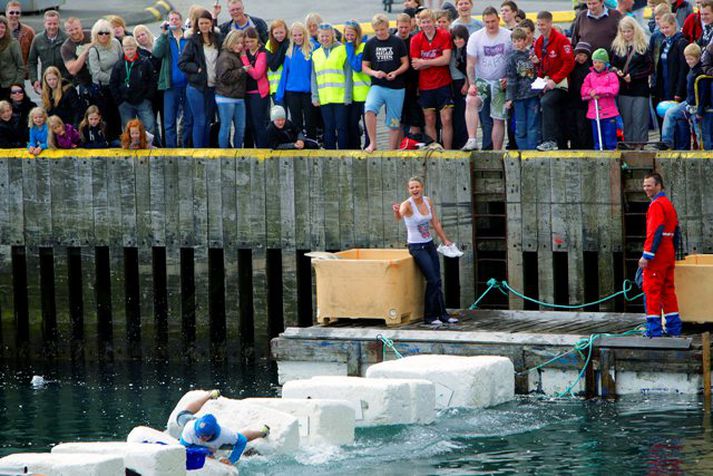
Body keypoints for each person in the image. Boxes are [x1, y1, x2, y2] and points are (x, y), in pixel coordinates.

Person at [392, 176, 458, 327]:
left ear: (422, 187)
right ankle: (429, 316)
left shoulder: (428, 201)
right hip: (416, 247)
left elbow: (435, 222)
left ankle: (443, 315)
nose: (415, 189)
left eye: (417, 187)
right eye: (411, 187)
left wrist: (445, 240)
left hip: (429, 244)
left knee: (438, 280)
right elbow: (399, 217)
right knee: (432, 280)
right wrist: (396, 211)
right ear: (408, 190)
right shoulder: (407, 204)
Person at [176, 390, 269, 466]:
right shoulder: (190, 429)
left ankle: (262, 432)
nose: (201, 438)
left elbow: (242, 441)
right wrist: (205, 451)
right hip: (194, 423)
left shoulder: (224, 435)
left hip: (217, 443)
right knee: (181, 416)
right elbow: (183, 447)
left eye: (205, 436)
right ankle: (209, 395)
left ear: (212, 433)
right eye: (199, 435)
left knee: (238, 440)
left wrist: (231, 460)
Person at [639, 172, 682, 337]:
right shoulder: (668, 204)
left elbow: (655, 232)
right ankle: (674, 328)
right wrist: (673, 252)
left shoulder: (656, 205)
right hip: (668, 251)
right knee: (668, 291)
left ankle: (654, 330)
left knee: (652, 291)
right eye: (644, 186)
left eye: (649, 185)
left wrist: (647, 255)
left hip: (658, 254)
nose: (646, 189)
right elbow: (676, 231)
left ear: (658, 186)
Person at [465, 6, 512, 151]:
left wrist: (509, 79)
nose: (490, 25)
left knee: (498, 118)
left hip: (500, 82)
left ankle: (497, 151)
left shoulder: (508, 36)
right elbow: (470, 64)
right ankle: (472, 139)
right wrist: (472, 84)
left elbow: (515, 60)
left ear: (498, 20)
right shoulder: (476, 37)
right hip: (483, 80)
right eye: (487, 22)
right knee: (471, 100)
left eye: (493, 21)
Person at [362, 13, 409, 152]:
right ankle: (373, 143)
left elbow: (405, 64)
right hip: (378, 85)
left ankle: (391, 150)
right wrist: (374, 73)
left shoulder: (397, 42)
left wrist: (395, 73)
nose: (380, 33)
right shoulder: (370, 44)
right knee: (369, 109)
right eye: (376, 30)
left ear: (388, 27)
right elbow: (364, 66)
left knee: (394, 122)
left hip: (396, 87)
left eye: (382, 29)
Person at [179, 10, 223, 148]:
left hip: (213, 87)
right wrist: (197, 69)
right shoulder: (193, 42)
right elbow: (182, 63)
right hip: (196, 87)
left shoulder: (218, 39)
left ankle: (207, 149)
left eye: (207, 23)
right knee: (200, 121)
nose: (204, 25)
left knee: (208, 121)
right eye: (201, 23)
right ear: (197, 25)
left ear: (211, 23)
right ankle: (199, 151)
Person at [410, 9, 453, 148]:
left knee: (446, 119)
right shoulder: (416, 39)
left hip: (443, 84)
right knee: (430, 120)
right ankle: (434, 150)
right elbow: (416, 65)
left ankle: (447, 151)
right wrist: (435, 61)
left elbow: (446, 59)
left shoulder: (444, 35)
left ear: (434, 22)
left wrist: (425, 62)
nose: (427, 24)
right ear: (420, 24)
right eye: (424, 22)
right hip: (425, 86)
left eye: (429, 21)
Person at [534, 11, 574, 151]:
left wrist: (555, 80)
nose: (541, 27)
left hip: (561, 84)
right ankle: (556, 142)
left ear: (550, 23)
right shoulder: (539, 42)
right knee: (543, 104)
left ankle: (550, 140)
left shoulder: (561, 40)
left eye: (543, 25)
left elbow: (569, 63)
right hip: (546, 82)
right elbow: (541, 66)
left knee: (547, 102)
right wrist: (539, 75)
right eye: (538, 25)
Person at [610, 16, 652, 143]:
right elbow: (612, 64)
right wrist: (617, 72)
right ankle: (628, 143)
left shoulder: (643, 46)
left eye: (629, 31)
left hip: (640, 89)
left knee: (640, 118)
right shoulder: (617, 46)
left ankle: (641, 144)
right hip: (623, 89)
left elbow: (650, 67)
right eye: (624, 31)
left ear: (635, 30)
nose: (626, 34)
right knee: (626, 119)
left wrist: (633, 77)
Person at [154, 10, 192, 148]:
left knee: (188, 120)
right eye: (171, 19)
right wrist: (164, 34)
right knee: (169, 122)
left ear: (181, 21)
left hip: (188, 85)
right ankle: (171, 150)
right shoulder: (165, 38)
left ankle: (185, 147)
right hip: (171, 86)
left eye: (177, 19)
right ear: (168, 22)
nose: (174, 21)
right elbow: (157, 53)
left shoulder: (188, 36)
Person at [311, 23, 351, 150]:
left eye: (327, 36)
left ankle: (343, 154)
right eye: (322, 36)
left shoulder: (342, 50)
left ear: (333, 36)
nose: (324, 39)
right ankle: (330, 155)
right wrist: (315, 96)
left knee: (342, 128)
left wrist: (348, 96)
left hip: (341, 98)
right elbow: (314, 77)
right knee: (328, 128)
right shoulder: (316, 54)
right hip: (324, 98)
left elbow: (348, 74)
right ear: (318, 37)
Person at [275, 22, 316, 140]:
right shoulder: (289, 51)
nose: (298, 38)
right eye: (295, 35)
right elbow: (285, 74)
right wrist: (280, 93)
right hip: (292, 92)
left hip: (308, 92)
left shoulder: (313, 48)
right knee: (296, 121)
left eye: (300, 35)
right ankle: (299, 143)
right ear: (291, 36)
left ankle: (312, 143)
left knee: (310, 121)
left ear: (305, 34)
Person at [110, 36, 157, 135]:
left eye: (131, 49)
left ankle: (148, 146)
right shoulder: (119, 65)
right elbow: (113, 83)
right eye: (127, 49)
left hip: (143, 101)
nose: (129, 52)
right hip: (125, 102)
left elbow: (152, 80)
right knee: (128, 129)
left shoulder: (145, 62)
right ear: (123, 49)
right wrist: (119, 100)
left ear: (136, 48)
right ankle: (131, 147)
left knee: (149, 126)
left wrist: (148, 97)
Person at [505, 27, 540, 150]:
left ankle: (532, 150)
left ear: (525, 40)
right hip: (519, 97)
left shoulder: (531, 54)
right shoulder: (511, 58)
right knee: (520, 125)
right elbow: (511, 79)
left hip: (533, 95)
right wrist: (510, 98)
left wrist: (537, 62)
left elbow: (539, 72)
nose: (517, 44)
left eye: (520, 40)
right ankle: (523, 150)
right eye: (514, 41)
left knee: (533, 124)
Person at [662, 43, 703, 148]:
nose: (688, 62)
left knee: (699, 132)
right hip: (688, 102)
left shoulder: (701, 72)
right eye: (687, 59)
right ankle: (667, 142)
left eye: (691, 59)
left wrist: (699, 110)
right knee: (670, 113)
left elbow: (703, 93)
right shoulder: (691, 69)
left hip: (697, 105)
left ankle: (703, 151)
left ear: (698, 57)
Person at [88, 18, 123, 140]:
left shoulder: (116, 44)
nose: (104, 35)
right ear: (95, 34)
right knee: (106, 117)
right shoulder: (93, 50)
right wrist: (113, 80)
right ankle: (107, 141)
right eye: (100, 33)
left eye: (107, 32)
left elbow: (121, 61)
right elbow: (96, 73)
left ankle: (119, 140)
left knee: (118, 116)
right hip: (103, 88)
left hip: (117, 86)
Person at [582, 48, 621, 150]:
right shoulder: (589, 76)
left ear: (605, 63)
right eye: (595, 62)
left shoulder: (611, 75)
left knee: (610, 137)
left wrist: (599, 90)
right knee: (597, 139)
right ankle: (599, 155)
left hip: (609, 113)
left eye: (600, 62)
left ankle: (612, 156)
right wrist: (591, 93)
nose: (597, 64)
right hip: (595, 113)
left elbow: (614, 89)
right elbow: (584, 90)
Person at [215, 30, 247, 148]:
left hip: (238, 97)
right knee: (226, 127)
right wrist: (242, 70)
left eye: (242, 43)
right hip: (225, 98)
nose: (240, 46)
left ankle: (237, 152)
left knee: (241, 128)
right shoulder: (225, 56)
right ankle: (224, 155)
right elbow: (224, 77)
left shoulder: (237, 55)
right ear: (230, 42)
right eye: (237, 43)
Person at [652, 13, 689, 108]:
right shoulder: (664, 43)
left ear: (674, 25)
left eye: (667, 27)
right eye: (662, 28)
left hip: (675, 87)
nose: (665, 31)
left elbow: (683, 69)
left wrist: (679, 91)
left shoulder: (681, 43)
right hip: (664, 86)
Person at [241, 27, 269, 148]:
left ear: (257, 40)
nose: (249, 44)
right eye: (246, 42)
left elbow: (257, 74)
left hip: (258, 93)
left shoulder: (262, 52)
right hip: (245, 92)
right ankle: (248, 150)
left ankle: (262, 149)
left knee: (259, 124)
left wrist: (244, 59)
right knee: (247, 124)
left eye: (252, 41)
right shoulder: (244, 51)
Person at [28, 10, 68, 94]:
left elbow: (75, 60)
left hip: (65, 82)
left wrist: (72, 82)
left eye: (55, 23)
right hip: (46, 83)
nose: (52, 27)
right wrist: (34, 80)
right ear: (44, 23)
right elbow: (32, 62)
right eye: (49, 24)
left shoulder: (67, 39)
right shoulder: (37, 39)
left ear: (59, 23)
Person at [344, 20, 369, 149]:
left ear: (357, 34)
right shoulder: (346, 46)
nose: (349, 38)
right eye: (347, 35)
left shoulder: (363, 46)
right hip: (352, 94)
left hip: (364, 93)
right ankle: (355, 147)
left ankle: (369, 145)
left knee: (367, 123)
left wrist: (348, 48)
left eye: (351, 35)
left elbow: (356, 66)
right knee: (352, 123)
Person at [565, 42, 594, 149]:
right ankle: (574, 146)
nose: (581, 58)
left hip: (584, 103)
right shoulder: (571, 66)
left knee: (583, 126)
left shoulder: (589, 68)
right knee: (572, 126)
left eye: (584, 56)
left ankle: (585, 146)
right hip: (571, 101)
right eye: (579, 55)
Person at [449, 25, 469, 149]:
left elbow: (469, 69)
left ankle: (463, 142)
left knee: (462, 115)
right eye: (455, 39)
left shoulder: (466, 51)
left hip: (462, 82)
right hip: (453, 83)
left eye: (460, 38)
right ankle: (455, 143)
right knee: (456, 114)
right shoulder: (455, 50)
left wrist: (467, 83)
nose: (458, 41)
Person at [61, 17, 92, 93]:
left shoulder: (92, 35)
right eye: (71, 30)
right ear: (66, 31)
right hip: (84, 82)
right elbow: (73, 70)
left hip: (101, 79)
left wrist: (92, 44)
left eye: (76, 28)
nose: (74, 32)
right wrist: (84, 52)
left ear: (81, 27)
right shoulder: (66, 47)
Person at [0, 15, 25, 100]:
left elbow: (21, 67)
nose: (0, 30)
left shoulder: (13, 43)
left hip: (10, 86)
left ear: (6, 29)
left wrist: (17, 85)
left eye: (2, 27)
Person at [5, 1, 34, 71]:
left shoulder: (29, 32)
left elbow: (33, 56)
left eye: (17, 13)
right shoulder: (1, 31)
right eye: (11, 12)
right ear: (6, 13)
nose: (14, 15)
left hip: (20, 74)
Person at [266, 19, 288, 100]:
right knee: (281, 112)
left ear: (286, 31)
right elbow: (273, 66)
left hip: (288, 84)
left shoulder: (290, 43)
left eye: (281, 32)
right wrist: (282, 48)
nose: (279, 35)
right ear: (272, 33)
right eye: (276, 33)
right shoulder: (270, 44)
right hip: (276, 86)